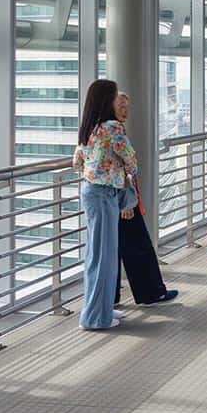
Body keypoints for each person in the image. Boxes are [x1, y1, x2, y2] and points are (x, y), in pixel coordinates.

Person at [73, 79, 139, 331]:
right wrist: (122, 168)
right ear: (107, 100)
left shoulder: (89, 127)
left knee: (96, 255)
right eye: (114, 96)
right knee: (104, 257)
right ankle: (95, 318)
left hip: (91, 192)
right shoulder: (113, 128)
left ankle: (100, 309)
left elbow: (77, 163)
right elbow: (132, 160)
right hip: (104, 195)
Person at [111, 92, 179, 307]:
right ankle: (151, 293)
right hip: (121, 198)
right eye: (121, 105)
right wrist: (126, 202)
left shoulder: (95, 129)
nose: (126, 110)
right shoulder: (113, 129)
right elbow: (128, 164)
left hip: (109, 199)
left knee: (113, 249)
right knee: (139, 246)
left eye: (127, 105)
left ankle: (111, 297)